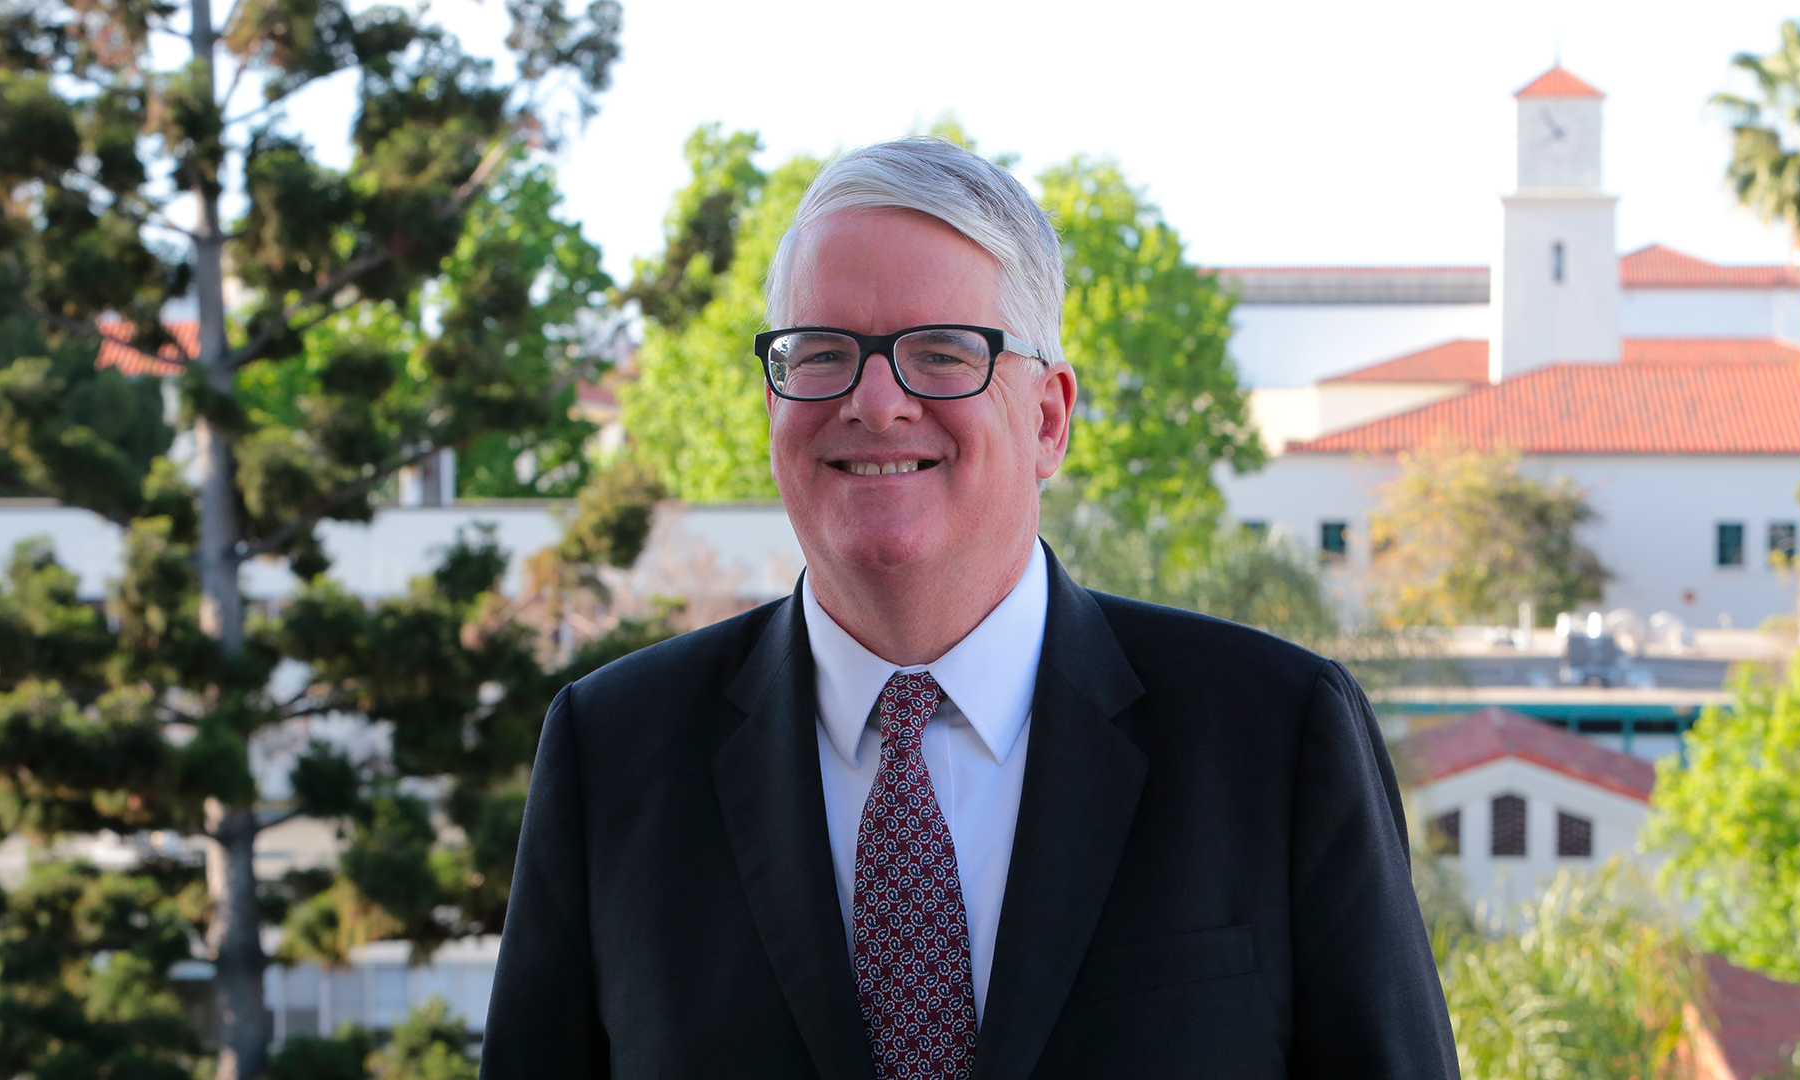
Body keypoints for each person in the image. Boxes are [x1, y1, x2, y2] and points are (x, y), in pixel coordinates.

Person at [480, 137, 1457, 1079]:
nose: (874, 400)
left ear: (1047, 417)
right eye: (821, 352)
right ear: (772, 400)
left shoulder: (1275, 737)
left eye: (943, 352)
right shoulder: (611, 756)